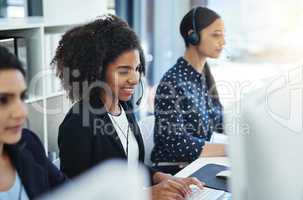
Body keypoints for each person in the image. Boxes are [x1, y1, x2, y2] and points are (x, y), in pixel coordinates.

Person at [52, 15, 203, 200]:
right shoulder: (78, 122)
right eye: (124, 71)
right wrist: (147, 194)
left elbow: (131, 166)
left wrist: (160, 177)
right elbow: (76, 195)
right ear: (97, 71)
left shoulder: (124, 107)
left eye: (137, 69)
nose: (135, 79)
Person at [151, 7, 226, 166]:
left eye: (223, 35)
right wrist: (228, 149)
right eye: (216, 35)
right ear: (193, 36)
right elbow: (177, 143)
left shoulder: (204, 75)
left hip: (199, 164)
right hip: (174, 172)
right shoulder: (172, 82)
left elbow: (219, 119)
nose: (223, 42)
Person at [0, 46, 66, 199]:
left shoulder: (28, 143)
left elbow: (69, 192)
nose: (22, 112)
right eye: (2, 100)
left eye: (22, 97)